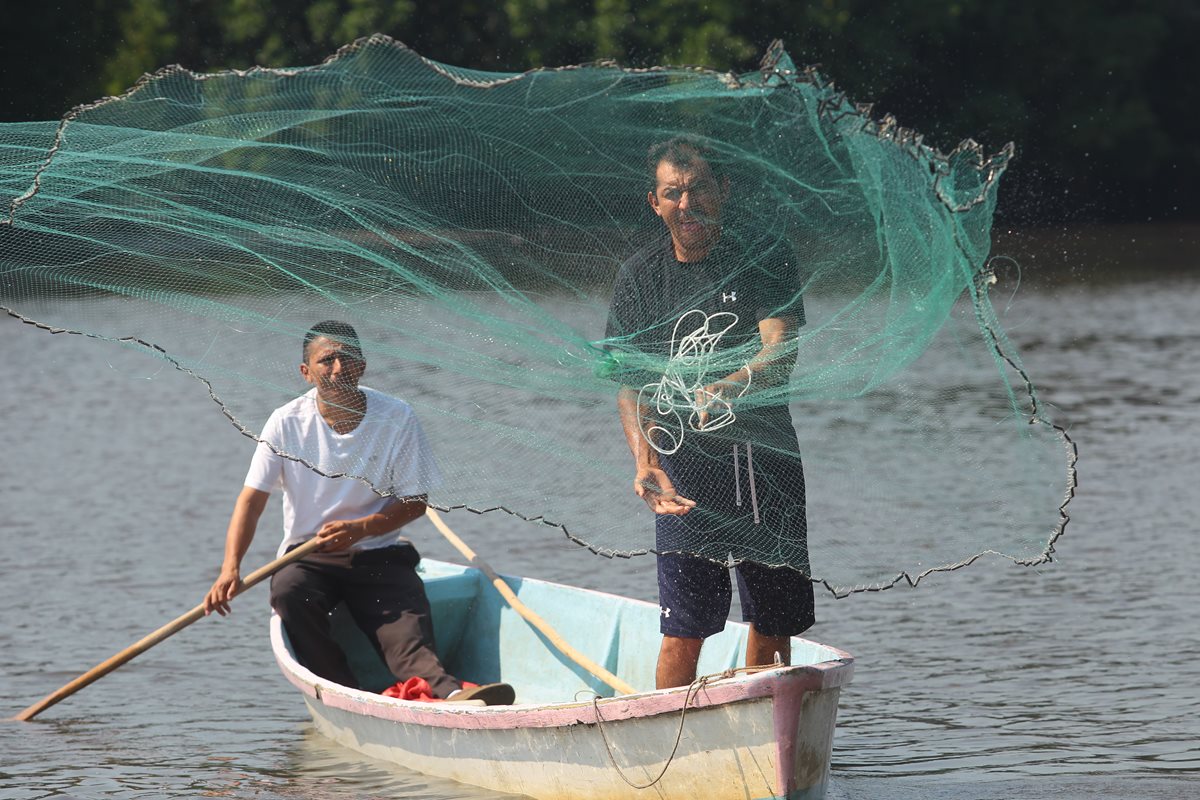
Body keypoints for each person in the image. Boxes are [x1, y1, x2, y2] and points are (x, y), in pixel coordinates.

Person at [203, 320, 514, 705]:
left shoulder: (397, 416)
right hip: (310, 556)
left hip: (379, 554)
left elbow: (415, 502)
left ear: (362, 365)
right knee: (288, 591)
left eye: (347, 358)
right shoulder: (286, 422)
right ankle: (346, 693)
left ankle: (447, 692)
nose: (338, 368)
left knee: (407, 637)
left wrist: (362, 528)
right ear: (306, 372)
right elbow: (252, 500)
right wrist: (230, 567)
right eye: (326, 360)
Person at [605, 137, 815, 689]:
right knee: (683, 628)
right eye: (673, 192)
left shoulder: (761, 254)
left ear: (722, 190)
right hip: (681, 471)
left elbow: (780, 349)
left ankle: (765, 728)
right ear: (655, 203)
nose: (686, 202)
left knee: (772, 618)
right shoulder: (639, 276)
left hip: (760, 461)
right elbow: (630, 385)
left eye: (698, 188)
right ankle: (669, 747)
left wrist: (735, 381)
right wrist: (643, 460)